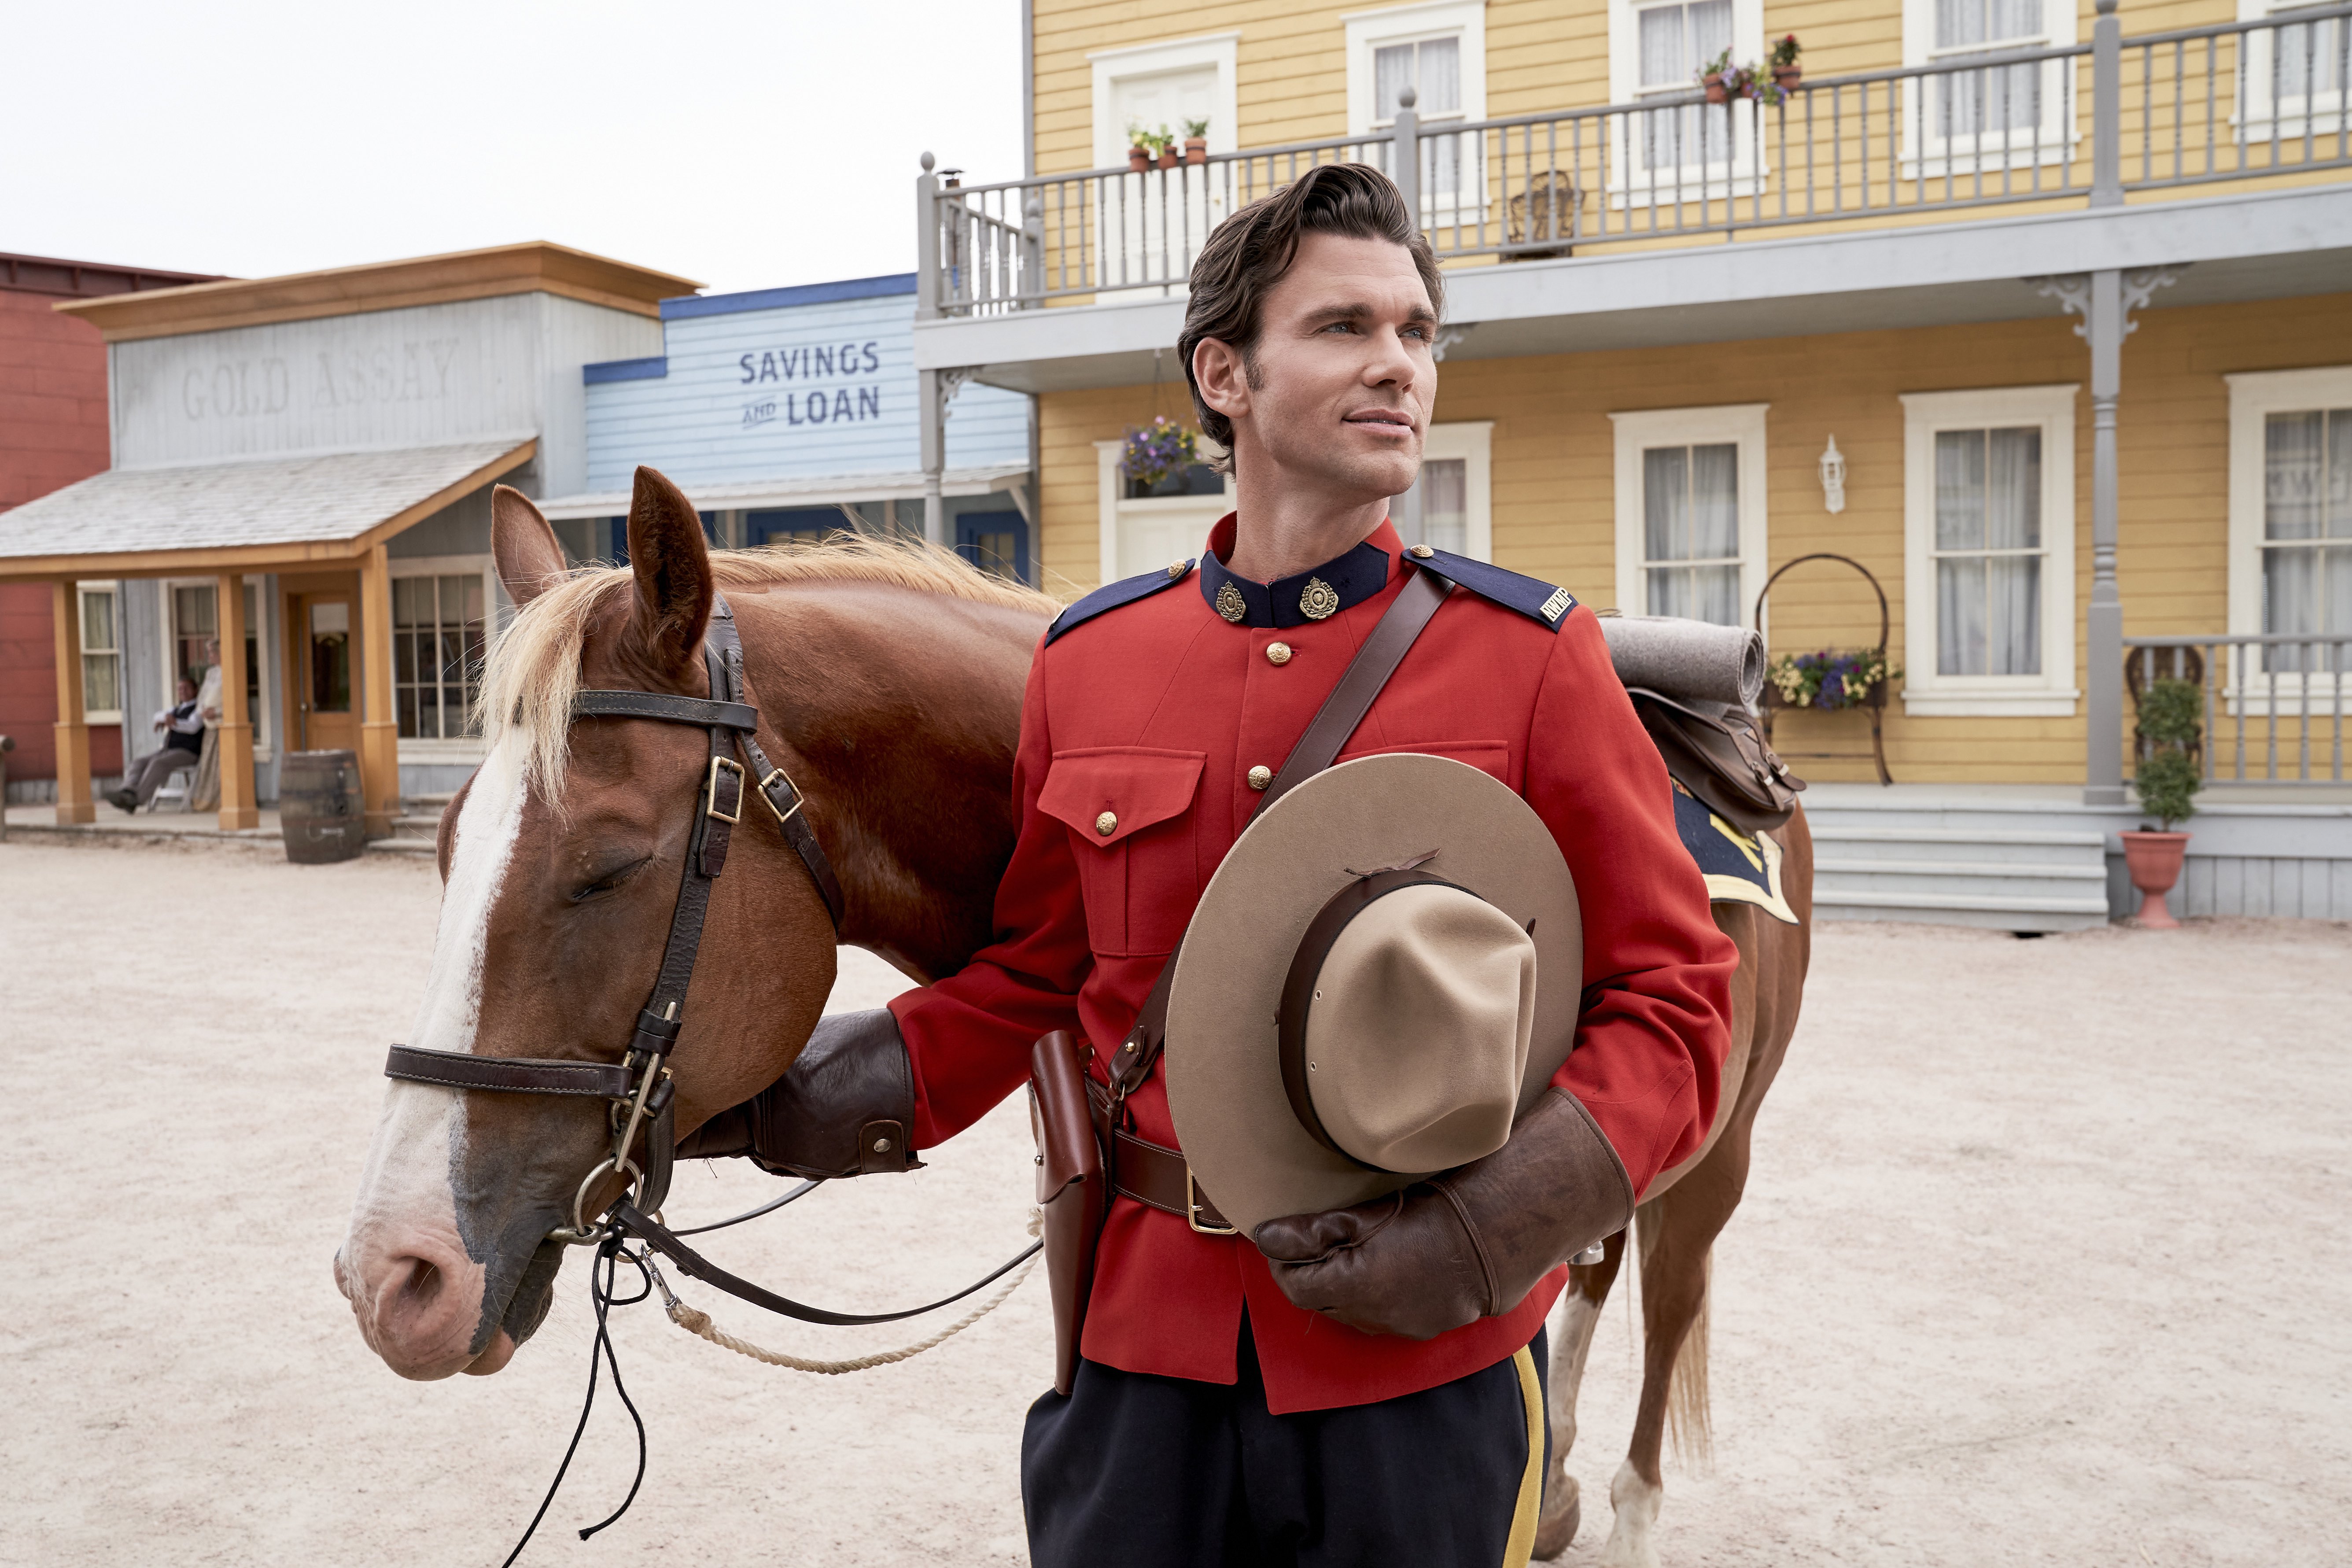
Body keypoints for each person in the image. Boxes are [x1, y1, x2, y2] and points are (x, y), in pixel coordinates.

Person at [687, 164, 1739, 1565]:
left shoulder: (1530, 659)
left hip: (1422, 1369)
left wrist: (1488, 1232)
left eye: (1419, 332)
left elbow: (1677, 1007)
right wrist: (767, 1104)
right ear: (1223, 373)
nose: (1399, 366)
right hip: (1141, 1363)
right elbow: (1037, 976)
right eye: (1345, 328)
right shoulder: (1091, 661)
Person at [111, 679, 204, 812]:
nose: (183, 691)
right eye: (180, 688)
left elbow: (192, 726)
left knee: (158, 763)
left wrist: (174, 722)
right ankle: (127, 791)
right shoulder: (176, 709)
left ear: (195, 690)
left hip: (188, 753)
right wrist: (165, 718)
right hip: (168, 750)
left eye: (187, 688)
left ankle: (136, 800)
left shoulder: (198, 710)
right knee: (139, 762)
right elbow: (157, 716)